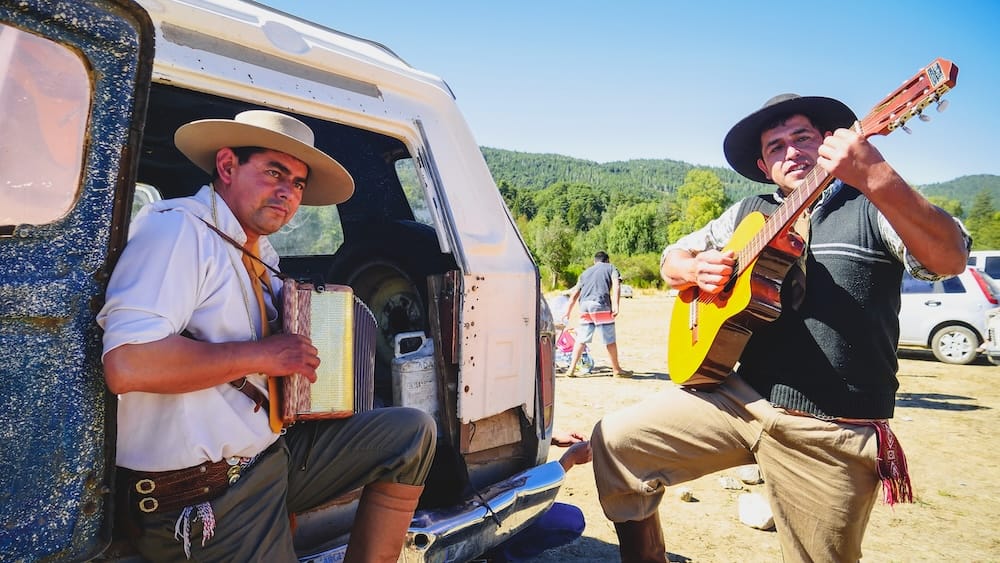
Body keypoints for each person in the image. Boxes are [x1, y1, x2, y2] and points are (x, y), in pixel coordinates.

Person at [590, 94, 970, 562]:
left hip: (829, 430)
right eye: (775, 147)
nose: (790, 151)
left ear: (830, 141)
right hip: (735, 399)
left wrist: (876, 174)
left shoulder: (871, 204)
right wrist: (692, 271)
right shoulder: (748, 212)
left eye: (802, 137)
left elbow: (950, 258)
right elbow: (672, 258)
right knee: (616, 443)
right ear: (763, 165)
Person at [97, 110, 436, 562]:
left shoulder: (257, 247)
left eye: (297, 183)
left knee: (411, 434)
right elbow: (128, 364)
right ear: (227, 166)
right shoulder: (178, 231)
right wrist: (263, 355)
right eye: (274, 172)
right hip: (203, 495)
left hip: (267, 457)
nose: (287, 193)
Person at [483, 432, 592, 562]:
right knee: (571, 520)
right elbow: (524, 493)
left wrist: (548, 438)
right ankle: (499, 556)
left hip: (485, 506)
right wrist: (569, 459)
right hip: (487, 516)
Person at [564, 251, 632, 377]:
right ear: (607, 260)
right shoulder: (611, 268)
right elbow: (616, 285)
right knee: (609, 340)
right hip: (600, 304)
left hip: (584, 305)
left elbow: (574, 294)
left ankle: (571, 369)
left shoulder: (585, 273)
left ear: (594, 261)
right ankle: (617, 370)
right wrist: (616, 305)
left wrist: (567, 312)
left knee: (581, 339)